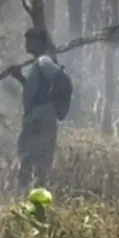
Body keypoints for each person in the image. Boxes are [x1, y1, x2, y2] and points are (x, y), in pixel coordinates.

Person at [8, 27, 73, 189]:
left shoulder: (44, 60)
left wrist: (47, 99)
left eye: (30, 41)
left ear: (39, 43)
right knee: (27, 156)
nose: (26, 44)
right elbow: (36, 90)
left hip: (41, 115)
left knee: (37, 158)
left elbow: (61, 78)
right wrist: (20, 78)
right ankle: (26, 194)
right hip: (37, 114)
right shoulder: (39, 63)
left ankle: (36, 197)